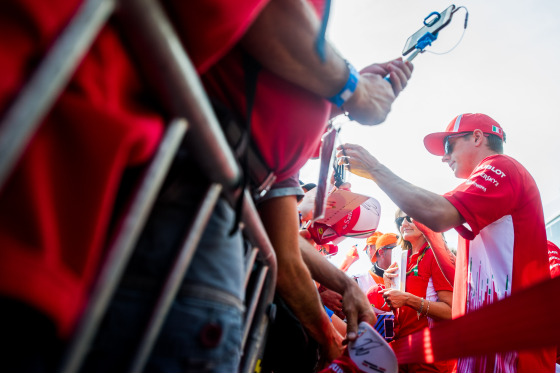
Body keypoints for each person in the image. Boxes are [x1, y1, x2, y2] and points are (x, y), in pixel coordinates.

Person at [337, 113, 555, 372]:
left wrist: (375, 170)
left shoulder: (500, 166)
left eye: (449, 145)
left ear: (477, 137)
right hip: (484, 351)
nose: (443, 157)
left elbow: (437, 213)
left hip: (510, 356)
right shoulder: (485, 190)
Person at [380, 209, 454, 372]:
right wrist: (388, 286)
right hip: (404, 351)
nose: (404, 224)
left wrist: (408, 299)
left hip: (431, 355)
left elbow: (452, 311)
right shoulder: (402, 258)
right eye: (400, 221)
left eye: (409, 218)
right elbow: (401, 312)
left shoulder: (437, 255)